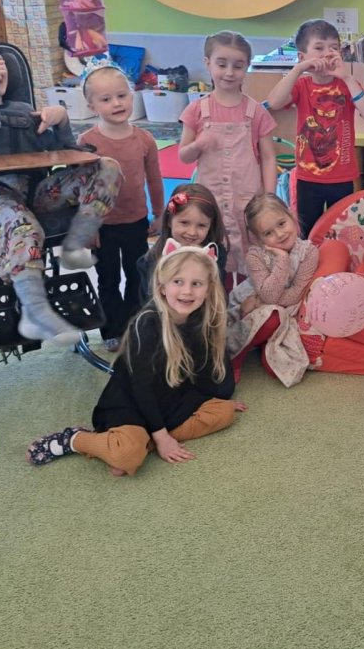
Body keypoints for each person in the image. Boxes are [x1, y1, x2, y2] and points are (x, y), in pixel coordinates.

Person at [0, 35, 122, 345]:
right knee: (25, 228)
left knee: (107, 167)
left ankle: (76, 245)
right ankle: (34, 312)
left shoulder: (21, 110)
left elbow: (64, 152)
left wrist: (61, 121)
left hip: (33, 189)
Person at [26, 243, 246, 476]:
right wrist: (161, 437)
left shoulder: (203, 320)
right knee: (127, 456)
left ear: (209, 288)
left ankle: (140, 444)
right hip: (133, 401)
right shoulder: (147, 324)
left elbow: (208, 369)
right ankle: (75, 439)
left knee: (224, 413)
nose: (187, 291)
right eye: (178, 282)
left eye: (196, 284)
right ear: (162, 287)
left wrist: (214, 398)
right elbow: (140, 387)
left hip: (173, 398)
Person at [79, 64, 164, 350]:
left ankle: (133, 324)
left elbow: (154, 179)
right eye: (106, 99)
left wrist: (160, 213)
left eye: (121, 95)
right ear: (91, 106)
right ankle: (111, 330)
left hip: (136, 221)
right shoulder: (87, 142)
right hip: (102, 226)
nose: (116, 103)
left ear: (132, 95)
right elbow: (81, 187)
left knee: (137, 275)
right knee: (108, 278)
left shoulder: (144, 140)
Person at [179, 30, 276, 278]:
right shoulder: (196, 110)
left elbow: (268, 157)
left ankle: (246, 297)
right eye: (222, 64)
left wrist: (269, 197)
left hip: (247, 199)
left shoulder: (256, 111)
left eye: (238, 66)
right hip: (211, 200)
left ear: (247, 67)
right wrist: (198, 144)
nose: (229, 72)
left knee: (251, 256)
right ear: (207, 63)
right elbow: (184, 156)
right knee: (214, 258)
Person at [265, 19, 364, 236]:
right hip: (308, 178)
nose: (327, 54)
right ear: (302, 56)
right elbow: (274, 102)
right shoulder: (301, 86)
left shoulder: (346, 85)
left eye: (333, 48)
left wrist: (347, 76)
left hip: (342, 176)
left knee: (340, 234)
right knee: (308, 234)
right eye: (319, 48)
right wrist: (298, 69)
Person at [228, 193, 320, 386]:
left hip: (280, 307)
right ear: (258, 238)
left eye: (281, 224)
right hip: (248, 309)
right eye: (268, 233)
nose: (279, 234)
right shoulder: (255, 256)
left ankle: (265, 344)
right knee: (272, 316)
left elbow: (296, 293)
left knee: (279, 367)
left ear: (291, 215)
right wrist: (282, 260)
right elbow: (269, 294)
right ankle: (236, 357)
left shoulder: (309, 252)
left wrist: (263, 300)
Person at [137, 183, 229, 301]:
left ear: (210, 226)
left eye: (201, 225)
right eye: (184, 223)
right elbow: (148, 301)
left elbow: (218, 297)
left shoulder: (215, 255)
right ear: (169, 221)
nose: (192, 232)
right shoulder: (153, 259)